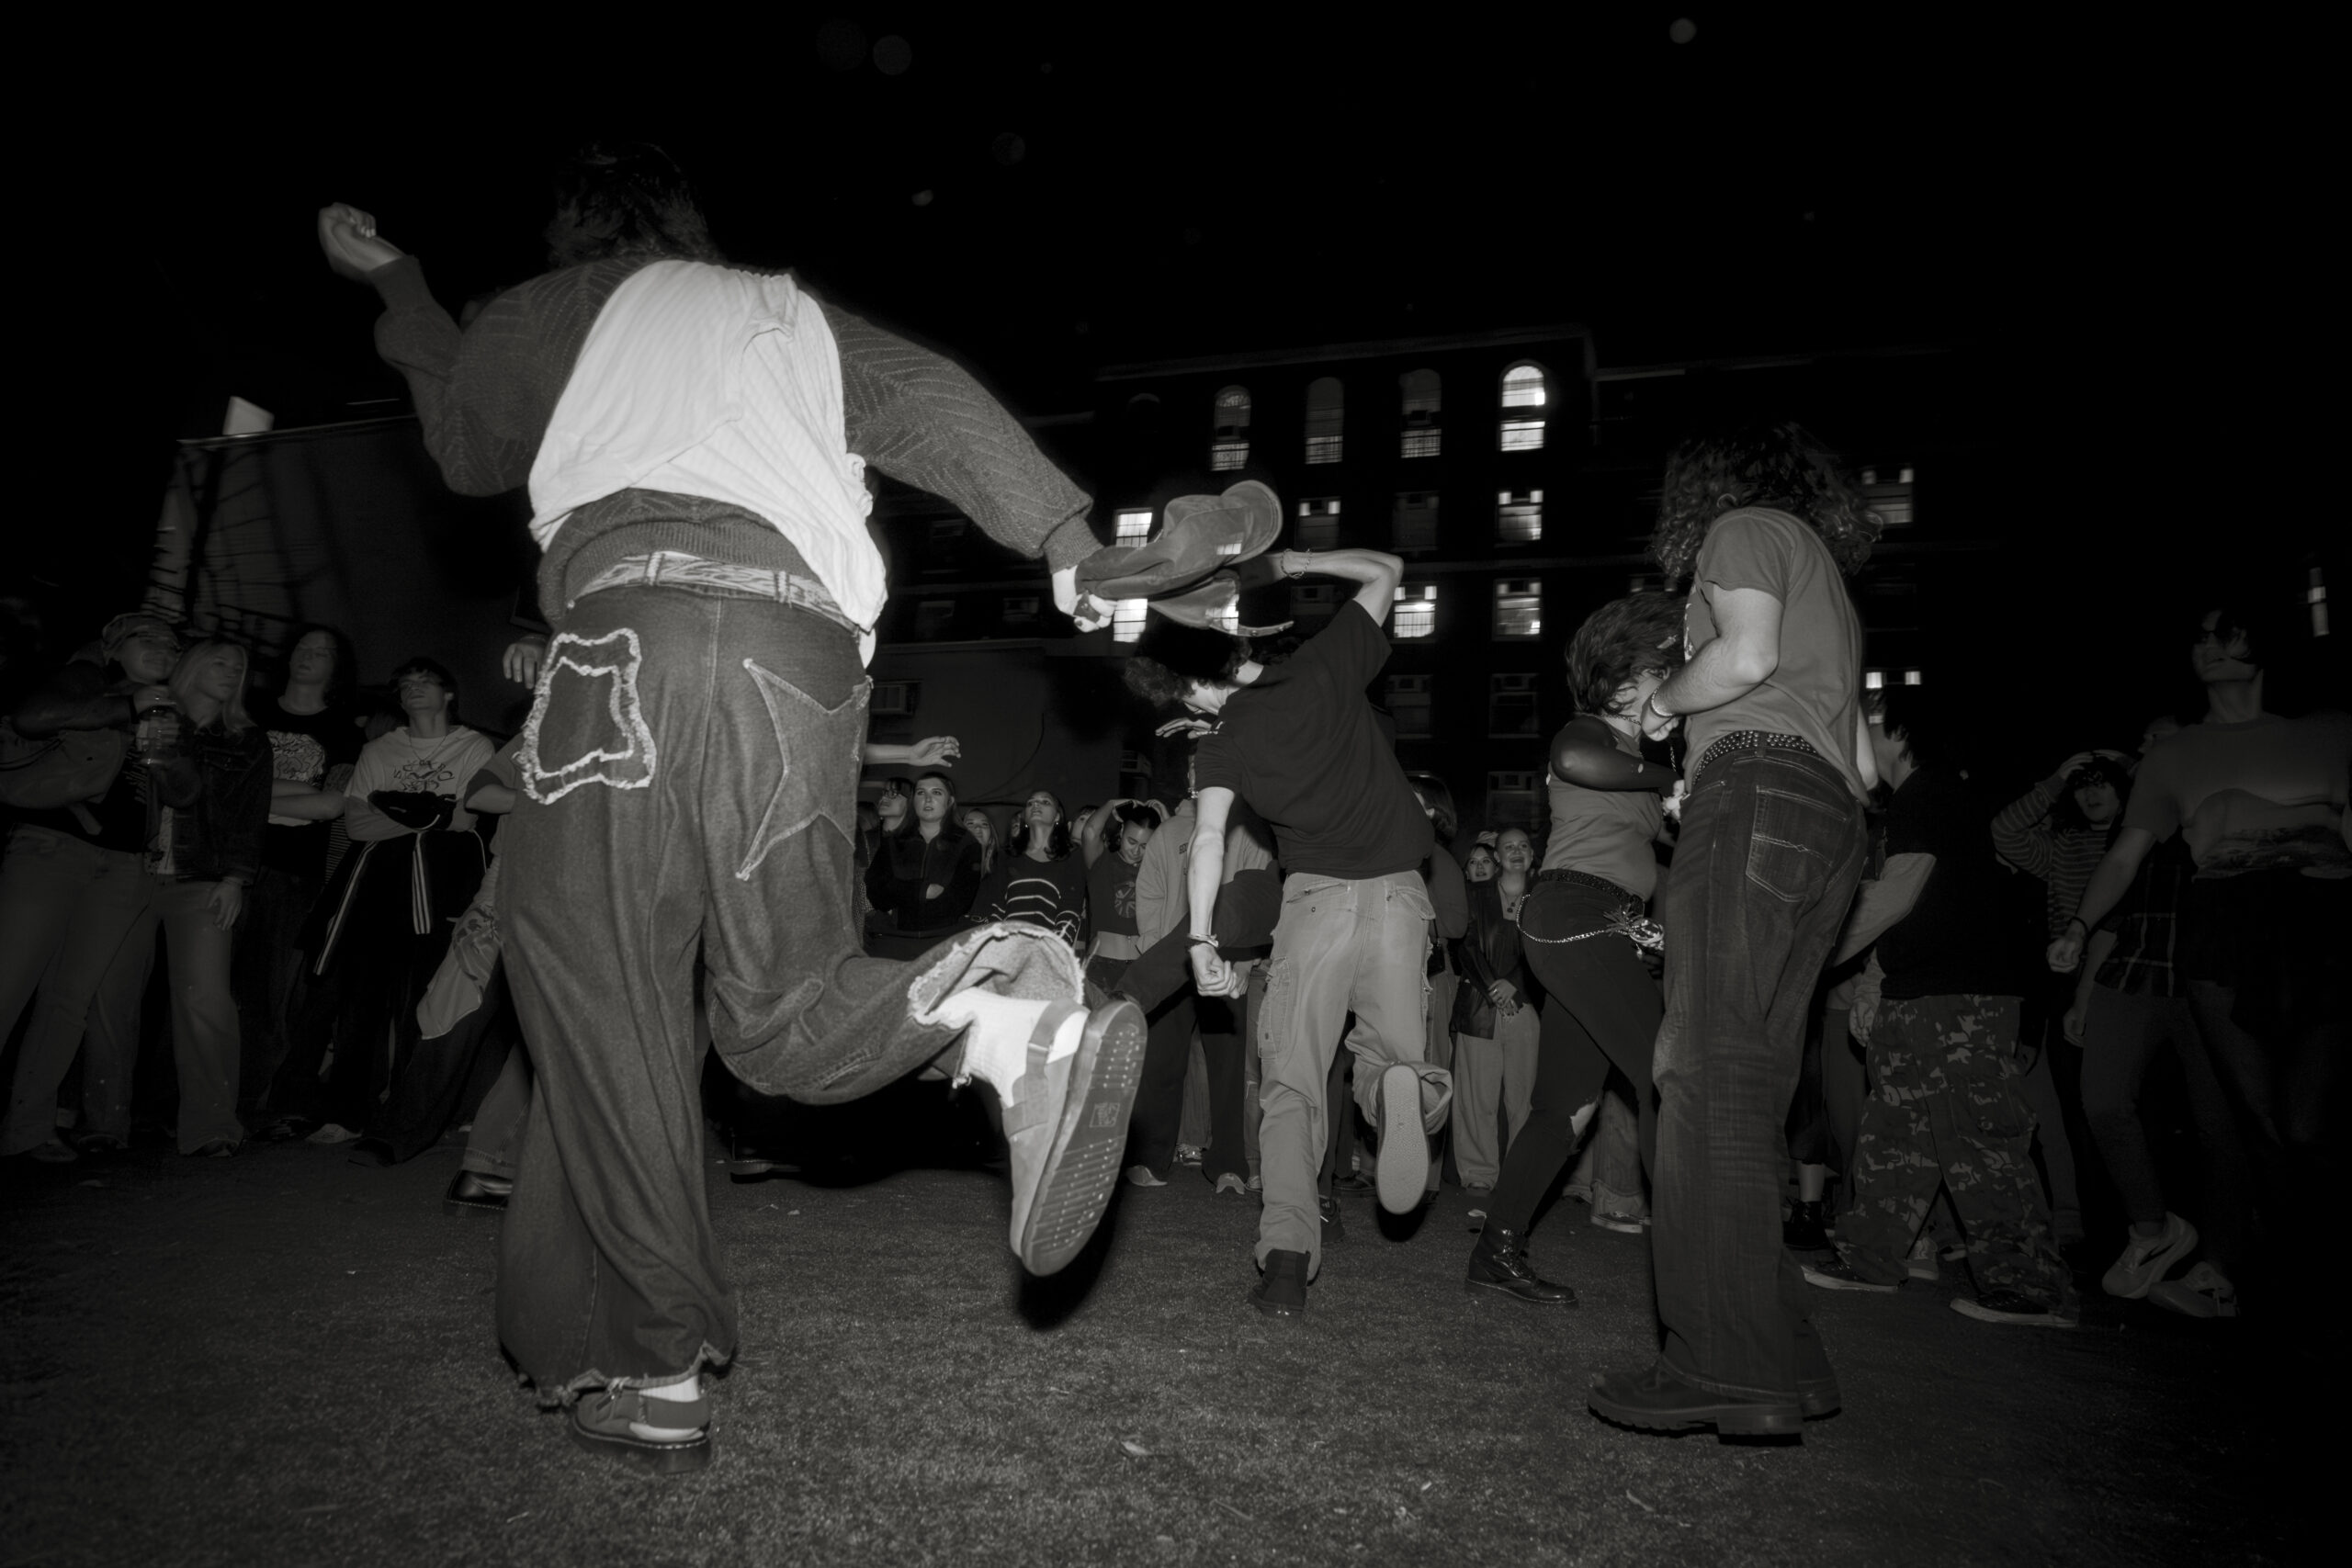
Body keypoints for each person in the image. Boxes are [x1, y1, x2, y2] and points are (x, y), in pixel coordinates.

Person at [317, 146, 1147, 1474]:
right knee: (779, 1007)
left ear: (576, 231)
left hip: (626, 640)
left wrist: (401, 289)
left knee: (604, 1000)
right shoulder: (782, 307)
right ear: (692, 226)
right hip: (800, 651)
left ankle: (656, 1371)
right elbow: (928, 401)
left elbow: (467, 451)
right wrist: (1067, 540)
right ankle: (1002, 1019)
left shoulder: (553, 305)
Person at [1587, 423, 1879, 1438]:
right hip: (1830, 825)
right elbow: (1866, 765)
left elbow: (1744, 657)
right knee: (1752, 1083)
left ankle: (1723, 1361)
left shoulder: (1745, 529)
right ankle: (1784, 1352)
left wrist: (1670, 707)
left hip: (1757, 794)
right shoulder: (1829, 586)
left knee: (1703, 1072)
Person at [1125, 547, 1452, 1319]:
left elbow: (1208, 840)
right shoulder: (1323, 664)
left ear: (1190, 685)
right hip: (1403, 898)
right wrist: (1298, 558)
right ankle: (1407, 1091)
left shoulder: (1223, 741)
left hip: (1314, 907)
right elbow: (1387, 570)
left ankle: (1285, 1259)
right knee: (1391, 1058)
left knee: (1293, 1086)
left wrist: (1201, 940)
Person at [2050, 604, 2350, 1323]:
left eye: (2227, 632)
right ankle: (2293, 1293)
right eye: (2200, 636)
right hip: (2218, 937)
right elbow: (2124, 860)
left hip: (2320, 928)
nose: (2210, 646)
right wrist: (2079, 927)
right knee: (2259, 1122)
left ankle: (2285, 1266)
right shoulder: (2174, 759)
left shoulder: (2330, 732)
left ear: (2263, 637)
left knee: (2307, 1125)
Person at [1801, 686, 2076, 1326]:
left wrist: (1803, 950)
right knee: (1896, 1137)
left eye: (1867, 720)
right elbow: (1915, 907)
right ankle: (1871, 1259)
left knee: (1980, 1141)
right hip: (1916, 992)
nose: (1854, 730)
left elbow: (1896, 895)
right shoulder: (1917, 799)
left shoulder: (1933, 791)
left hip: (1961, 1001)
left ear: (1899, 731)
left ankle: (2032, 1286)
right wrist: (1875, 984)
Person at [1470, 592, 1685, 1303]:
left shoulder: (1635, 757)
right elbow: (1570, 756)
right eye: (1662, 672)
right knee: (1665, 1072)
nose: (1673, 686)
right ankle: (1699, 1263)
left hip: (1599, 922)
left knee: (1567, 1106)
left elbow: (1655, 849)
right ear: (1624, 679)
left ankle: (1495, 1250)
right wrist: (1674, 779)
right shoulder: (1589, 735)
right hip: (1574, 912)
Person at [290, 658, 496, 1145]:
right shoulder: (380, 748)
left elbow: (464, 820)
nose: (413, 689)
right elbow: (358, 824)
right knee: (362, 1000)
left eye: (425, 682)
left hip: (442, 882)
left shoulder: (474, 745)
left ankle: (409, 1113)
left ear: (449, 694)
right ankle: (349, 1111)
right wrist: (430, 812)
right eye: (405, 684)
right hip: (376, 882)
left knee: (423, 999)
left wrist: (394, 806)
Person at [1, 613, 180, 1162]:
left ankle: (27, 1129)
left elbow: (183, 793)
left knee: (68, 1002)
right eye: (148, 639)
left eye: (173, 645)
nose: (164, 648)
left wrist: (166, 754)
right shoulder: (88, 681)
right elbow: (31, 717)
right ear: (114, 648)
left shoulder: (165, 710)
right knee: (8, 985)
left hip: (124, 865)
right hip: (54, 848)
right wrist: (128, 706)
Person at [90, 638, 274, 1156]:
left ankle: (211, 1127)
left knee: (206, 1002)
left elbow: (251, 815)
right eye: (219, 661)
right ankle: (103, 1123)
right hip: (127, 870)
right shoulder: (145, 716)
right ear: (191, 666)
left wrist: (236, 879)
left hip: (202, 878)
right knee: (111, 996)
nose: (232, 671)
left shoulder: (247, 739)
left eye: (239, 666)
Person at [234, 624, 363, 1126]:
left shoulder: (344, 732)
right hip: (226, 860)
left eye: (322, 652)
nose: (309, 655)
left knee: (268, 995)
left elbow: (330, 805)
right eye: (302, 647)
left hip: (293, 874)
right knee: (202, 985)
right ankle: (169, 1103)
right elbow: (216, 781)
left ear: (336, 668)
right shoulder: (248, 711)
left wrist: (249, 793)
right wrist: (296, 794)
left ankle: (249, 1105)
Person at [1451, 827, 1541, 1195]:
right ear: (1498, 857)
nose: (1516, 851)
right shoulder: (1475, 894)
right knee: (1476, 1097)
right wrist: (1495, 988)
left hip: (1527, 1006)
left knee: (1524, 1097)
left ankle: (1519, 1175)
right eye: (1508, 847)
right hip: (1480, 1005)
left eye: (1523, 846)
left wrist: (1515, 984)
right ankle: (1478, 1173)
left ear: (1531, 855)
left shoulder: (1544, 897)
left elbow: (1550, 947)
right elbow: (1466, 945)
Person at [864, 773, 986, 960]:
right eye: (921, 792)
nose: (927, 799)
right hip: (893, 941)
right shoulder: (894, 842)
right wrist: (922, 890)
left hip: (944, 943)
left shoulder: (967, 845)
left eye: (936, 792)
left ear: (950, 801)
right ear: (913, 801)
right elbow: (876, 893)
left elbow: (959, 902)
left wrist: (899, 897)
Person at [990, 789, 1089, 947]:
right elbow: (997, 908)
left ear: (1057, 817)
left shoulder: (1072, 857)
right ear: (1025, 817)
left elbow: (1070, 910)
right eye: (1030, 803)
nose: (1036, 804)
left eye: (1045, 802)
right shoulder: (1007, 856)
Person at [1080, 801, 1158, 992]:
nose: (1136, 851)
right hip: (1100, 966)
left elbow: (1180, 854)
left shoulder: (1155, 873)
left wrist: (1166, 820)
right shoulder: (1101, 861)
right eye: (1132, 841)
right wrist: (1112, 804)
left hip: (1139, 969)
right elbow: (1090, 831)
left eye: (1144, 846)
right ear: (1121, 831)